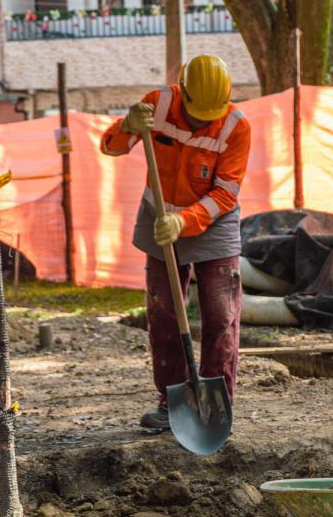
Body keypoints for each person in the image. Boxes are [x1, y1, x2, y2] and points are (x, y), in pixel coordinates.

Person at [99, 55, 251, 430]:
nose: (202, 120)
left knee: (221, 314)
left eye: (209, 113)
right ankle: (173, 403)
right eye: (197, 111)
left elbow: (225, 193)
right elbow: (112, 147)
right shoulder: (157, 104)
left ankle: (216, 406)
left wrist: (185, 220)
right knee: (164, 313)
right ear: (183, 93)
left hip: (212, 221)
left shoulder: (236, 127)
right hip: (159, 216)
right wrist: (127, 125)